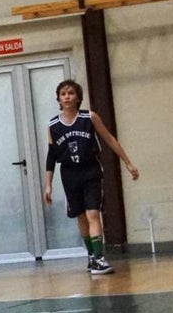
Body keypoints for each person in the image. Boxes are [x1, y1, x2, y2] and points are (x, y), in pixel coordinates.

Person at [43, 79, 139, 275]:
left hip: (90, 170)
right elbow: (51, 156)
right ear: (58, 99)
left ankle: (99, 258)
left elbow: (109, 139)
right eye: (63, 94)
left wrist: (128, 163)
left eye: (70, 93)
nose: (67, 97)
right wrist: (48, 184)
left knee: (93, 214)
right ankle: (91, 256)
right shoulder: (53, 125)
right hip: (69, 173)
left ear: (78, 97)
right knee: (80, 216)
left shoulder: (89, 117)